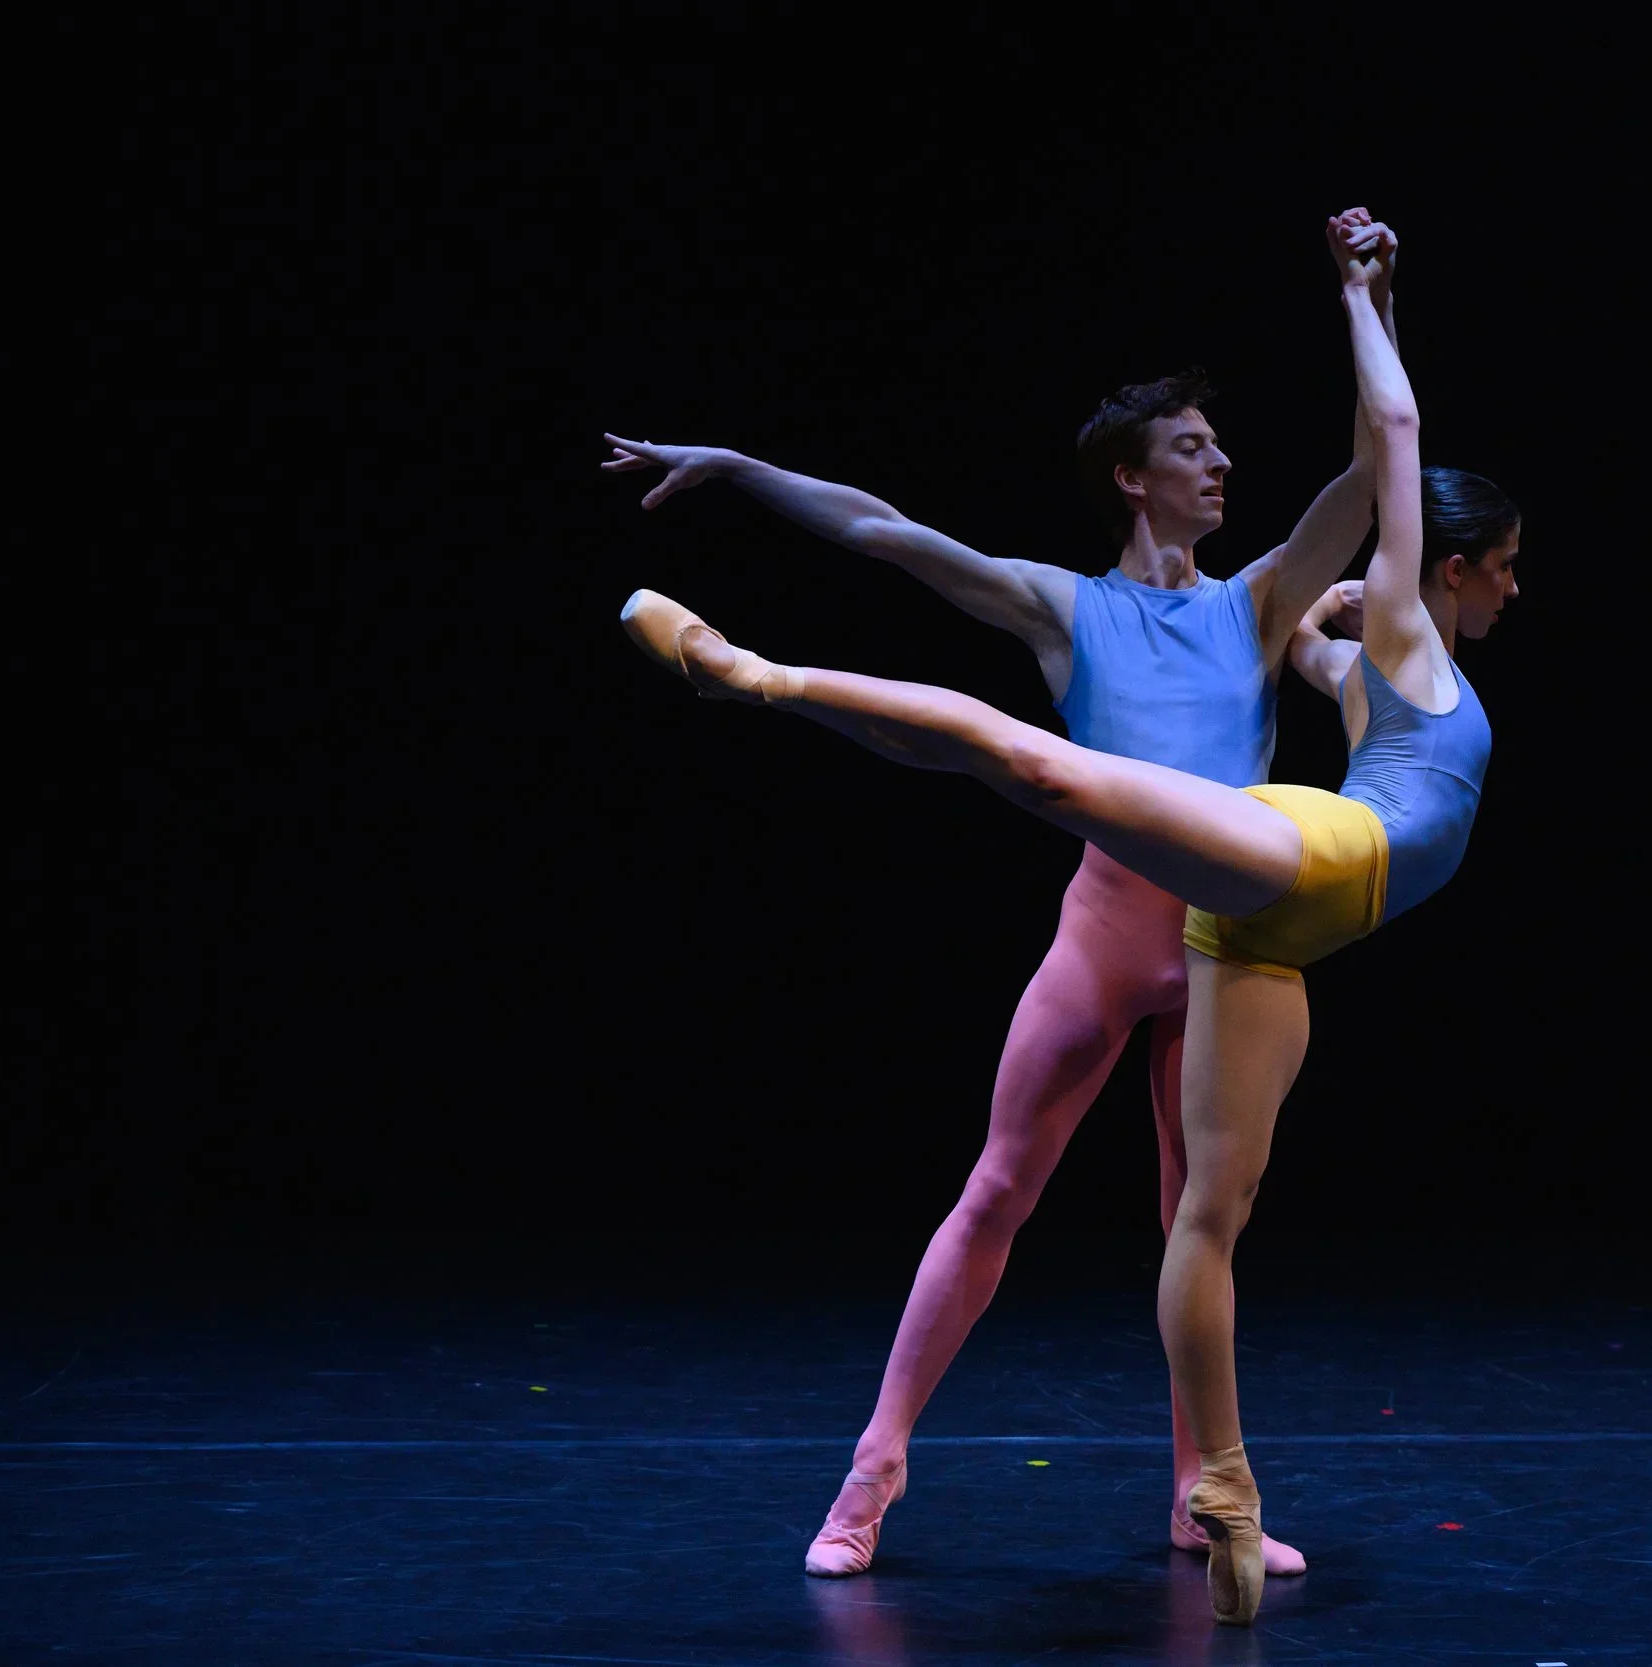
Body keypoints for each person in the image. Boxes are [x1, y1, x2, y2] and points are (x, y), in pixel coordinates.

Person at [613, 216, 1518, 1623]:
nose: (1221, 462)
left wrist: (1378, 301)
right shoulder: (1063, 607)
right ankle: (873, 1466)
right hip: (1111, 926)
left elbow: (1373, 466)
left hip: (1235, 923)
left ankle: (1197, 1489)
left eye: (1223, 446)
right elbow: (881, 531)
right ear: (1132, 476)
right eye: (1196, 447)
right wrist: (736, 470)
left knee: (1195, 1210)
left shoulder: (1265, 600)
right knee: (998, 1189)